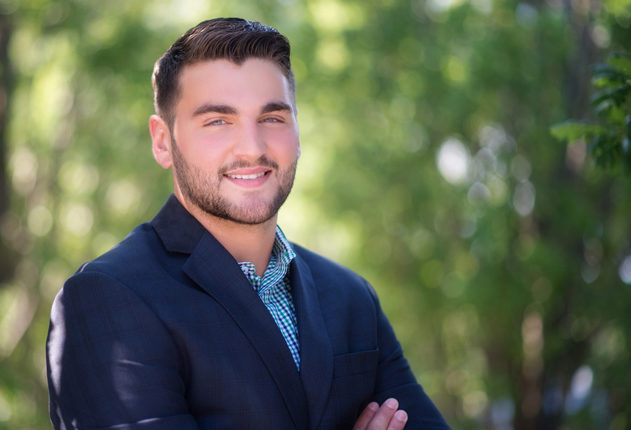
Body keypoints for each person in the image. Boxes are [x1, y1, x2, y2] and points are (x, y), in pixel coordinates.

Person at [46, 18, 451, 430]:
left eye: (272, 118)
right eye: (218, 121)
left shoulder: (351, 298)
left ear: (296, 128)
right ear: (163, 141)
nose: (252, 148)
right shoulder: (106, 298)